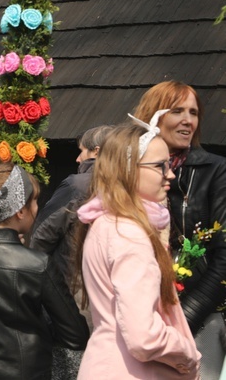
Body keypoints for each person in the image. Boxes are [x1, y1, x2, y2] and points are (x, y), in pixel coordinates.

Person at [75, 121, 200, 378]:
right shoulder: (129, 233)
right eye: (160, 166)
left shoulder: (109, 222)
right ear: (129, 169)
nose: (170, 174)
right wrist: (188, 353)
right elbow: (143, 336)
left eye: (171, 164)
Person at [0, 163, 89, 379]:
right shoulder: (37, 264)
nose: (37, 208)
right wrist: (35, 324)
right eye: (35, 201)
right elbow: (76, 334)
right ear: (21, 211)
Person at [134, 81, 226, 378]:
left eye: (194, 112)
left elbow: (224, 255)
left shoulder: (215, 170)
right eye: (177, 111)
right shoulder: (130, 170)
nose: (188, 120)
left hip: (201, 316)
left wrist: (184, 317)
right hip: (142, 319)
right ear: (154, 116)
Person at [30, 125, 113, 281]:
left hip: (71, 280)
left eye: (81, 151)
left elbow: (44, 232)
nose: (77, 159)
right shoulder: (131, 184)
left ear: (96, 151)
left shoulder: (77, 185)